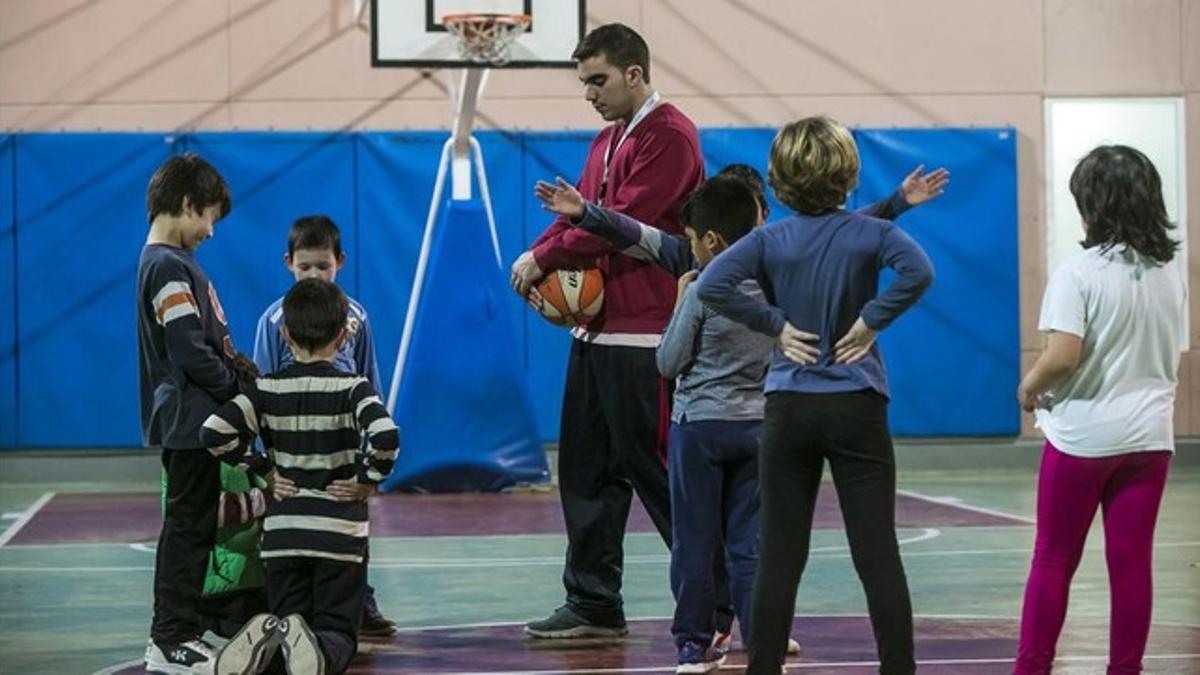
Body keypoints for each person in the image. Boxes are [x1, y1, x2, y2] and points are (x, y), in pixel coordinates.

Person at [535, 161, 945, 672]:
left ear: (706, 237)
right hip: (760, 422)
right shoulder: (780, 259)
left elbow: (663, 340)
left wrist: (588, 215)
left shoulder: (715, 274)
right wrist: (899, 204)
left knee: (698, 542)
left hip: (705, 426)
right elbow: (855, 228)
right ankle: (762, 633)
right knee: (757, 545)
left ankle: (696, 642)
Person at [696, 116, 934, 674]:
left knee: (780, 556)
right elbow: (917, 272)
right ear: (849, 175)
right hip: (856, 405)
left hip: (788, 409)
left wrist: (774, 324)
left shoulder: (767, 239)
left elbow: (711, 284)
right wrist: (873, 320)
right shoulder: (872, 233)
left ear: (777, 185)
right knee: (877, 555)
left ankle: (765, 669)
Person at [510, 23, 716, 639]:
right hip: (594, 334)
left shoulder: (671, 136)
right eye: (584, 83)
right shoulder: (604, 141)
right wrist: (535, 249)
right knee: (585, 471)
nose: (590, 94)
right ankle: (595, 602)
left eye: (598, 80)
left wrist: (547, 259)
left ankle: (723, 598)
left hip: (645, 332)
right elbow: (575, 211)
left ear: (634, 73)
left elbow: (617, 223)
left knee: (656, 474)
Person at [1013, 145, 1186, 675]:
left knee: (1054, 558)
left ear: (1092, 202)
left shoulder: (1078, 272)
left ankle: (1031, 668)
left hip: (1083, 439)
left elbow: (1064, 355)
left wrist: (1028, 388)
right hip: (1150, 440)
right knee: (1132, 563)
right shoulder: (1169, 272)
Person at [204, 278, 400, 675]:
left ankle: (266, 637)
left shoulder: (266, 388)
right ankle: (320, 653)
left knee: (292, 628)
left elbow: (214, 432)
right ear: (344, 337)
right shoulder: (353, 387)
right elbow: (386, 435)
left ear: (284, 334)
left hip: (282, 535)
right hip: (338, 536)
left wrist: (263, 471)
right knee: (337, 634)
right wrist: (367, 478)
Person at [252, 214, 396, 637]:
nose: (314, 274)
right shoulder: (273, 321)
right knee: (289, 528)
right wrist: (266, 465)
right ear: (288, 264)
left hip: (343, 455)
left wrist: (371, 465)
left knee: (351, 527)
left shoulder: (356, 318)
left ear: (341, 263)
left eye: (323, 266)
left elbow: (370, 383)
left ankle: (360, 602)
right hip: (292, 454)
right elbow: (260, 388)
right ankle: (285, 611)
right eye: (304, 267)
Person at [137, 153, 247, 673]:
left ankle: (181, 627)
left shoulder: (175, 263)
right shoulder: (164, 264)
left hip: (197, 416)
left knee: (196, 526)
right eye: (208, 216)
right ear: (185, 205)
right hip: (189, 417)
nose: (210, 230)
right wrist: (232, 391)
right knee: (186, 528)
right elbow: (186, 345)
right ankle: (168, 638)